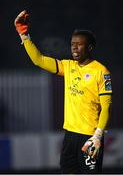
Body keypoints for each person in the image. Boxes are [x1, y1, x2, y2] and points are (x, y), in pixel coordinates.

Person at [14, 10, 112, 174]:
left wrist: (97, 136)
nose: (74, 47)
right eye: (72, 43)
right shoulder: (68, 66)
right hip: (69, 136)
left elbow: (106, 108)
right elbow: (39, 60)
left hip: (90, 137)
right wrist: (24, 35)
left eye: (79, 44)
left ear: (90, 47)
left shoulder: (102, 72)